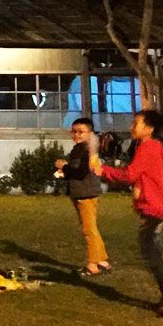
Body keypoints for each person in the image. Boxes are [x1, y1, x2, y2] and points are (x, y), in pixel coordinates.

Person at [100, 110, 163, 315]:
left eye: (136, 123)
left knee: (150, 251)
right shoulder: (153, 147)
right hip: (155, 206)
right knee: (152, 250)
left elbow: (129, 175)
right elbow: (146, 173)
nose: (131, 127)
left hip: (153, 207)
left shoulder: (148, 147)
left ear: (149, 128)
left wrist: (102, 170)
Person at [54, 118, 110, 275]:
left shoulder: (88, 150)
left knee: (88, 230)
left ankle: (92, 264)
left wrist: (64, 166)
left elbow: (81, 173)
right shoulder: (78, 149)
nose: (76, 135)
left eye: (81, 132)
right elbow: (75, 173)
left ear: (90, 133)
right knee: (91, 228)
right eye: (74, 131)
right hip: (80, 192)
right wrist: (64, 171)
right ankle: (102, 260)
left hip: (86, 193)